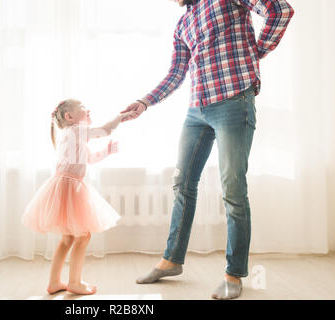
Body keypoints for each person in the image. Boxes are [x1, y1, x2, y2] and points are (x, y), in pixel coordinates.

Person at [120, 0, 294, 299]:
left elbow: (280, 10)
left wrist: (254, 53)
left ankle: (233, 274)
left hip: (233, 102)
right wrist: (144, 102)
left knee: (233, 191)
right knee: (182, 184)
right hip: (196, 111)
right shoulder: (182, 24)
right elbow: (176, 72)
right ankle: (172, 260)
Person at [21, 99, 135, 295]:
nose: (88, 109)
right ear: (70, 117)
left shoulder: (72, 135)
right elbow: (105, 130)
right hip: (70, 186)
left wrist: (107, 151)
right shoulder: (75, 131)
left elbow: (90, 158)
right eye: (83, 108)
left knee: (68, 238)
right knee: (83, 235)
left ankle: (55, 282)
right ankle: (74, 282)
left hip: (64, 185)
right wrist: (120, 117)